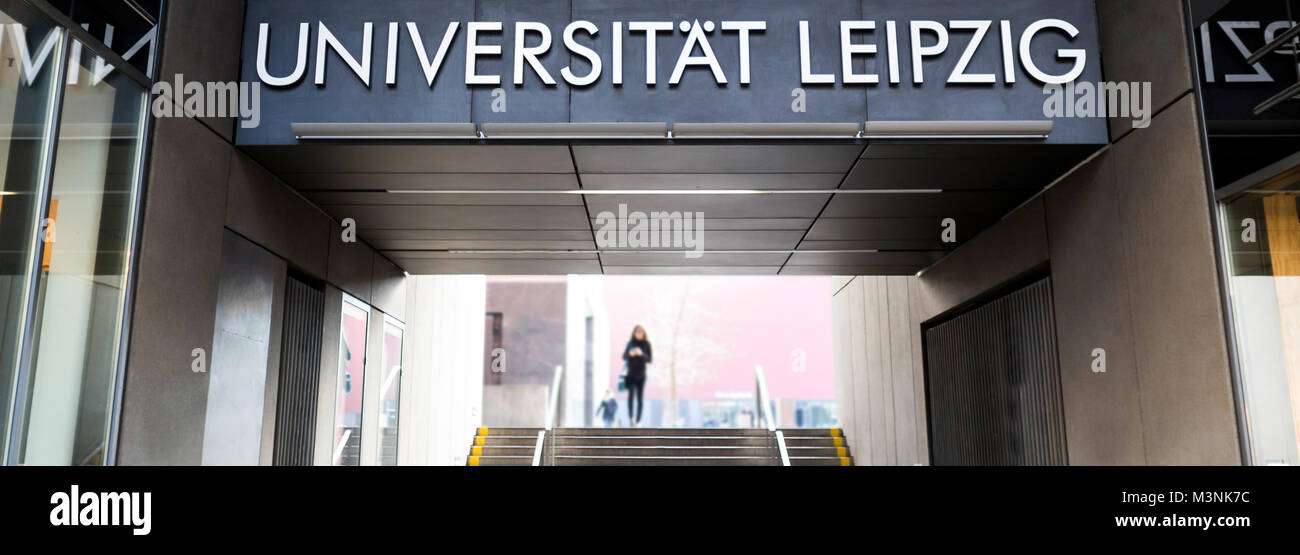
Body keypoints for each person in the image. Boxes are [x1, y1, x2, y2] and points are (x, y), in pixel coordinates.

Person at [622, 325, 652, 427]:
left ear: (644, 333)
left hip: (641, 376)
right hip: (630, 375)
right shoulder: (630, 343)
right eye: (637, 332)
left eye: (641, 332)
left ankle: (638, 420)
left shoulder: (647, 344)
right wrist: (630, 354)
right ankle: (631, 419)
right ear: (634, 333)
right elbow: (624, 356)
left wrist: (641, 353)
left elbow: (649, 359)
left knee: (640, 398)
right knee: (630, 397)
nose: (639, 334)